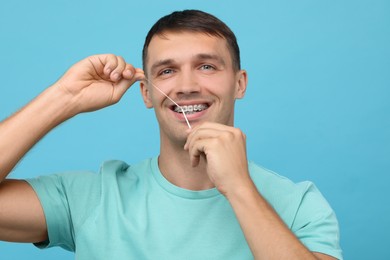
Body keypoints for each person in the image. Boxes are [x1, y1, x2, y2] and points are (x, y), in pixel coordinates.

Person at [0, 10, 342, 260]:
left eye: (206, 66)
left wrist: (238, 188)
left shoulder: (299, 205)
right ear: (147, 94)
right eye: (167, 71)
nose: (188, 86)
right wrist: (65, 98)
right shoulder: (94, 198)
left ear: (239, 84)